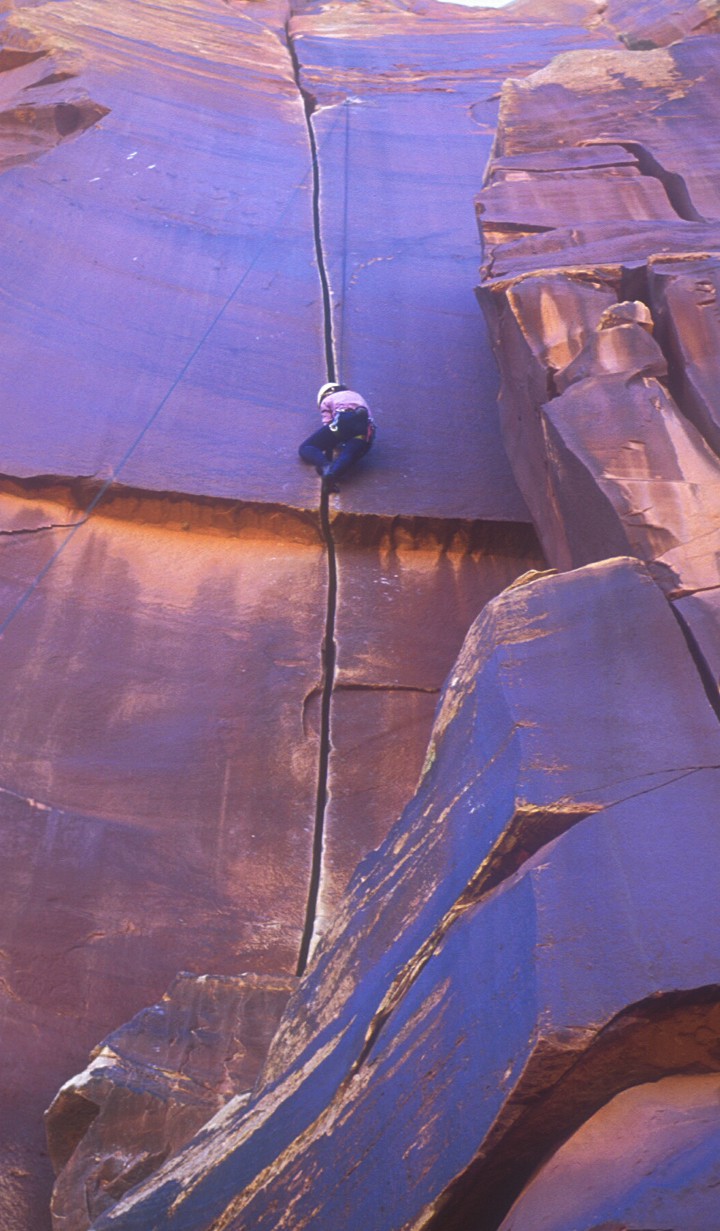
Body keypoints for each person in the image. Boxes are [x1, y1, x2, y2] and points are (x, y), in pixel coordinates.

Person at [299, 382, 376, 493]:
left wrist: (331, 442)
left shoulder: (327, 399)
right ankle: (333, 474)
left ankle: (326, 467)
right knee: (349, 453)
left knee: (306, 447)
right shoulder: (357, 395)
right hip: (364, 428)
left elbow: (328, 423)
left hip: (343, 421)